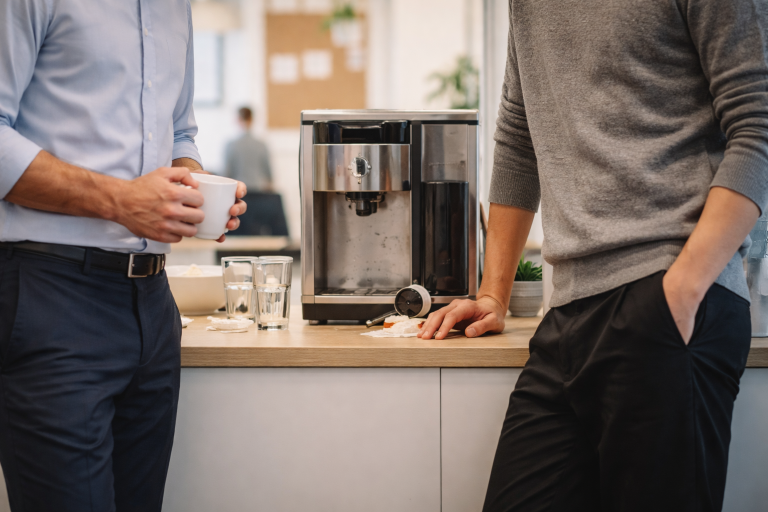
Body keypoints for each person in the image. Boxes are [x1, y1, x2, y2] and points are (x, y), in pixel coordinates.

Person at [419, 1, 767, 510]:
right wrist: (494, 292)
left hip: (667, 299)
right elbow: (520, 137)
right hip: (567, 315)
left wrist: (683, 289)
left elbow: (758, 127)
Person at [0, 1, 246, 511]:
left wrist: (194, 194)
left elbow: (181, 131)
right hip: (51, 295)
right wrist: (119, 199)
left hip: (154, 303)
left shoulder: (176, 8)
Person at [224, 107, 273, 192]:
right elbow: (269, 176)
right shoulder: (262, 145)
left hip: (238, 193)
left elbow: (226, 175)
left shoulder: (231, 145)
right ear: (252, 119)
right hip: (259, 194)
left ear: (238, 119)